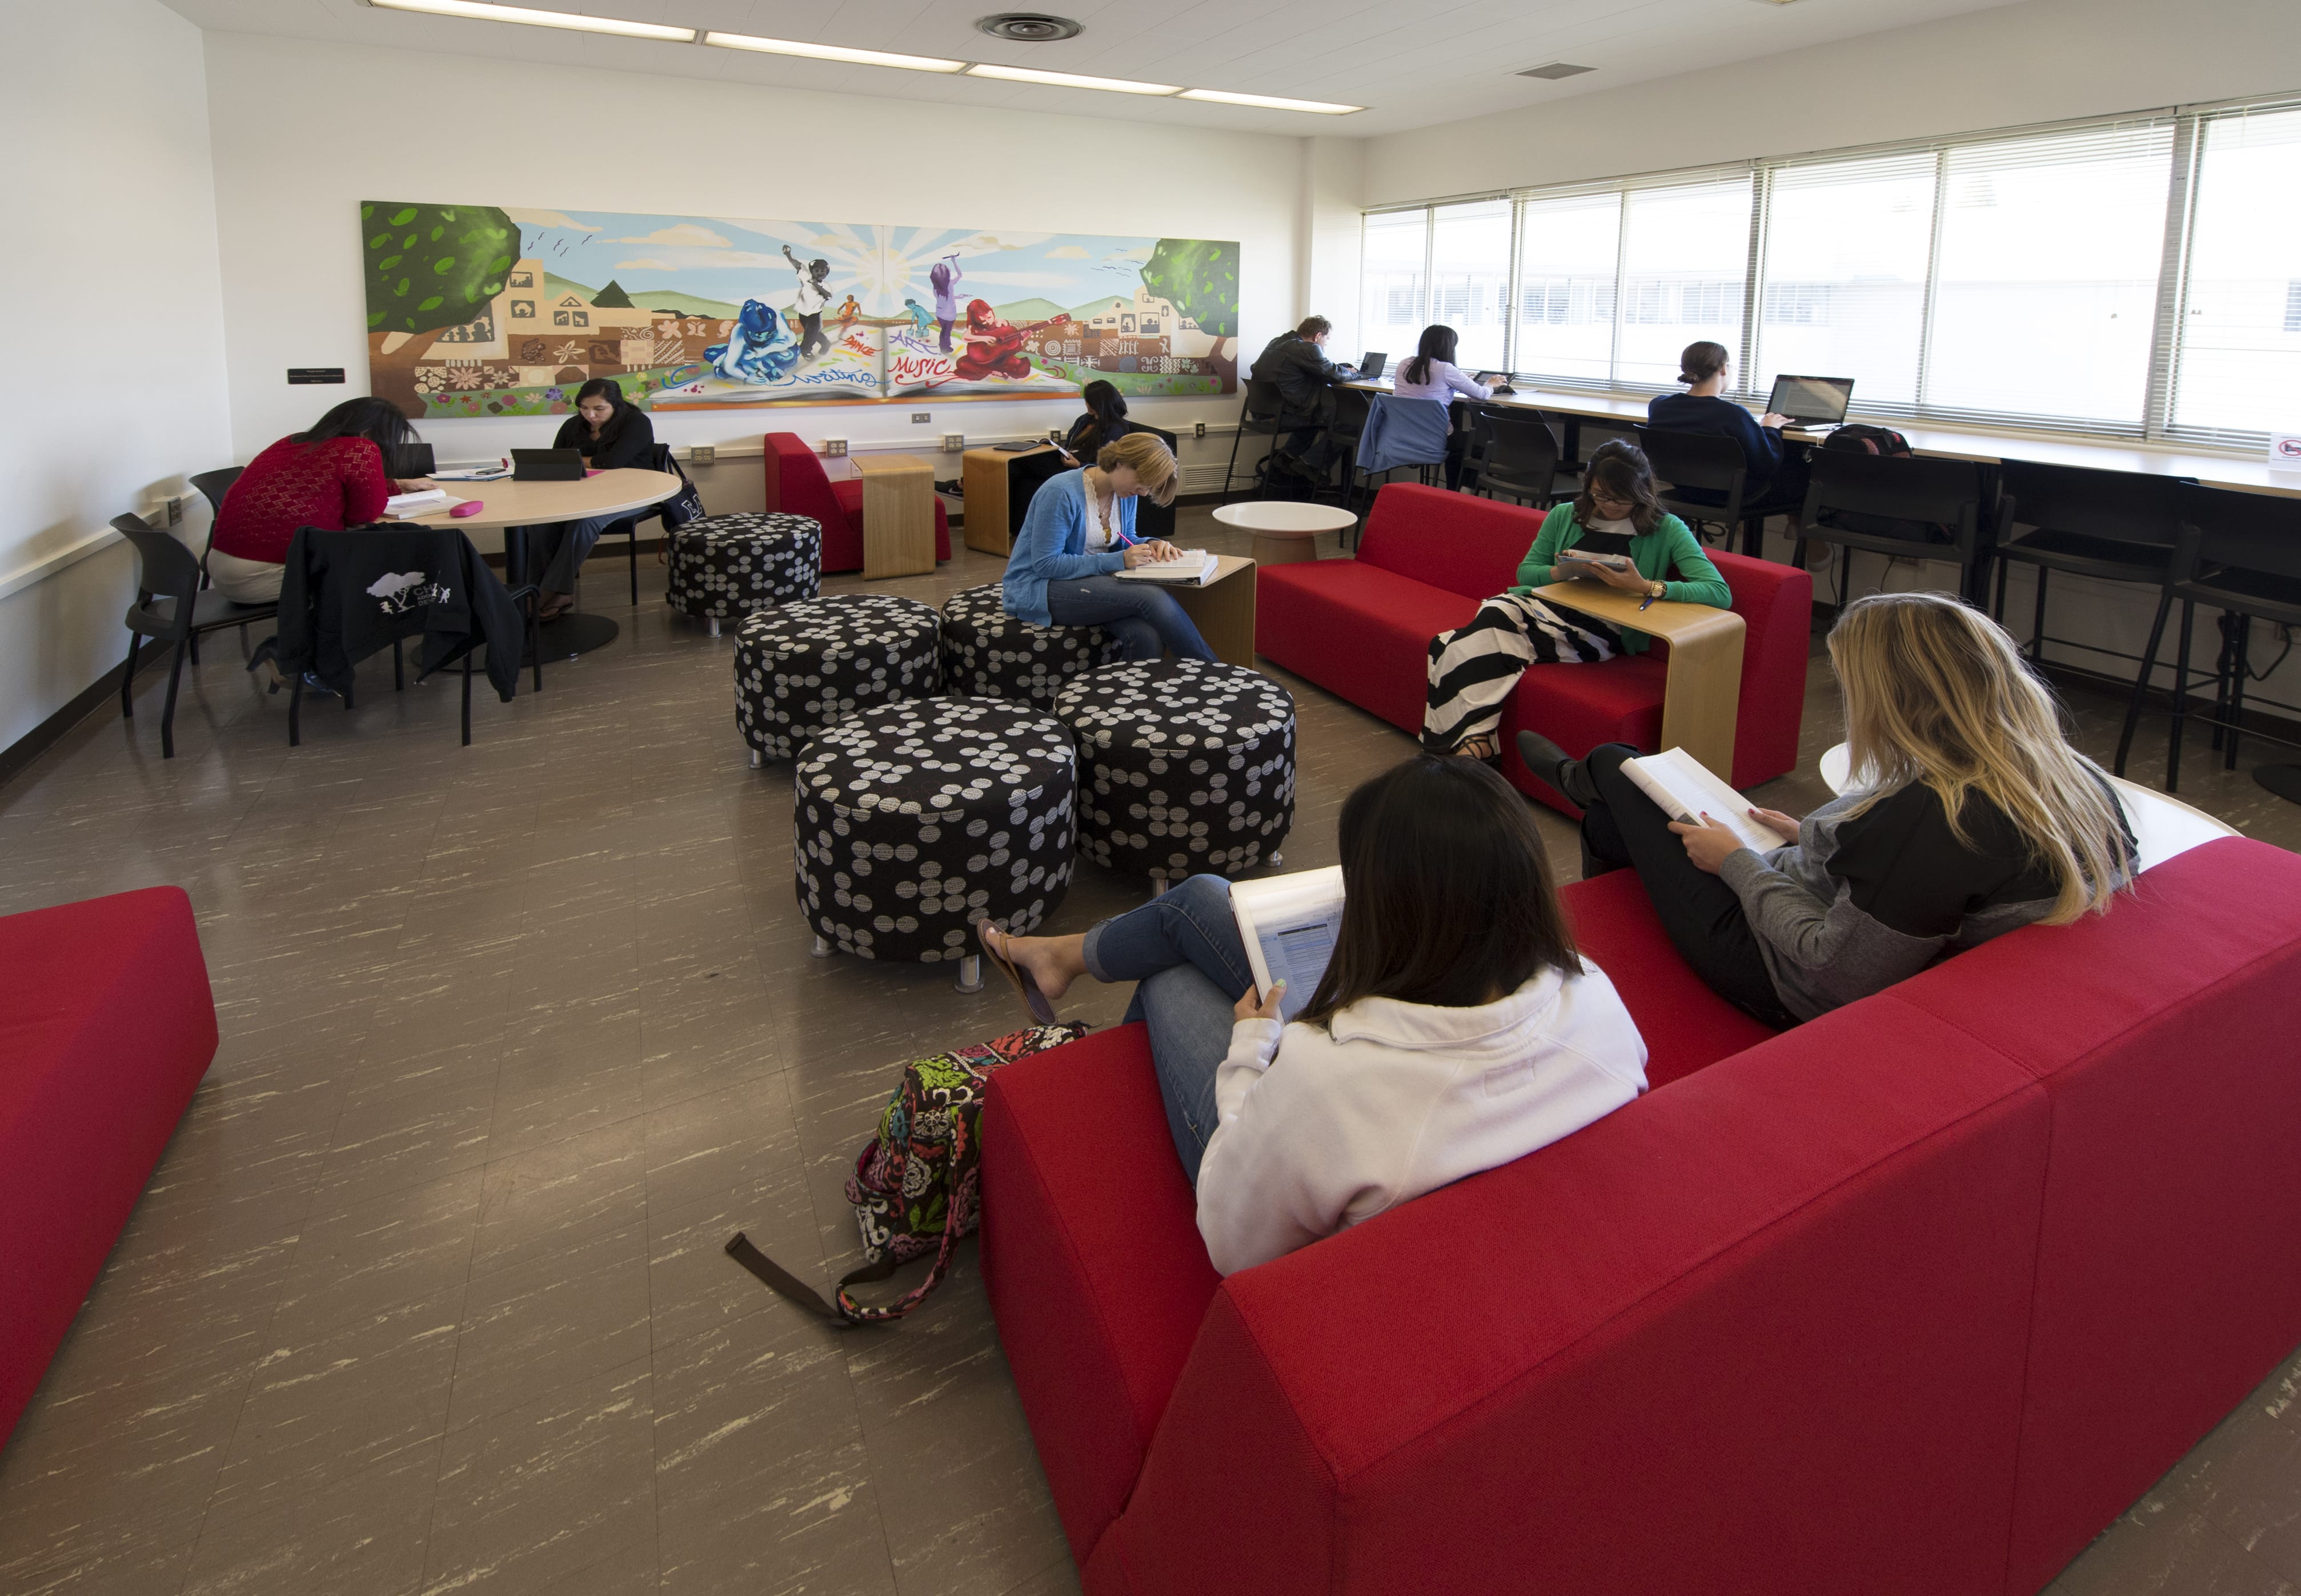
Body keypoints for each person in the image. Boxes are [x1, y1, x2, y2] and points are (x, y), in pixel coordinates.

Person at [977, 755, 1647, 1275]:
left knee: (1171, 974)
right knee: (1202, 902)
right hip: (1420, 1054)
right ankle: (1061, 959)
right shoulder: (1590, 990)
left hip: (1306, 1129)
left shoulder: (1323, 1080)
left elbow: (1229, 1242)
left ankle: (1096, 1085)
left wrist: (1248, 1052)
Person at [1517, 592, 2138, 1029]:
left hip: (1783, 986)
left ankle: (1585, 787)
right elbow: (1905, 877)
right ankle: (1594, 802)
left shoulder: (1935, 820)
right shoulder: (2067, 774)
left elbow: (1831, 974)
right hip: (1829, 908)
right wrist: (1820, 838)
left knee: (1619, 771)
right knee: (1624, 801)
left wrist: (1737, 863)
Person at [1425, 440, 1730, 763]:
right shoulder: (1564, 515)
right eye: (1600, 495)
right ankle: (1475, 746)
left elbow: (1717, 591)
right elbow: (1527, 572)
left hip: (1599, 629)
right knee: (1497, 606)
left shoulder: (1667, 528)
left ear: (1641, 491)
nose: (1609, 505)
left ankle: (1462, 750)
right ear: (1588, 486)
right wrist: (1560, 571)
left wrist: (1645, 586)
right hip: (1544, 608)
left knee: (1447, 644)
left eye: (1620, 498)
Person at [1000, 431, 1214, 663]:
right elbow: (1046, 565)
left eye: (1150, 487)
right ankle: (1215, 676)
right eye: (1142, 482)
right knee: (1151, 597)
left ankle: (1137, 698)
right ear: (1120, 462)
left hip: (1092, 582)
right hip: (1039, 587)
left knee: (1146, 635)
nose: (1144, 492)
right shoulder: (1061, 493)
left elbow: (1125, 539)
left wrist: (1151, 543)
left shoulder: (1126, 493)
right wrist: (1119, 560)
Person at [207, 396, 416, 603]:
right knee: (388, 565)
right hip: (264, 575)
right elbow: (364, 515)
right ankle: (351, 633)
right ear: (367, 432)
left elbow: (318, 485)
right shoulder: (360, 447)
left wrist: (396, 485)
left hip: (222, 566)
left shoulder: (290, 442)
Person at [520, 378, 655, 620]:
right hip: (582, 495)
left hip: (634, 495)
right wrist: (589, 460)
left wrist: (578, 459)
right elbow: (556, 461)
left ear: (616, 405)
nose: (590, 415)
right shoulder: (573, 425)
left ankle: (552, 592)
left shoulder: (636, 422)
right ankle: (539, 589)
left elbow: (613, 462)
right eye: (584, 408)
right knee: (540, 522)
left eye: (599, 409)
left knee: (582, 522)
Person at [1646, 340, 1807, 520]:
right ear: (1723, 369)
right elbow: (1766, 466)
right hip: (1732, 497)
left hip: (1685, 490)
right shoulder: (1733, 415)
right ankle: (1803, 533)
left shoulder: (1659, 406)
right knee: (1803, 468)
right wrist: (1771, 430)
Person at [1390, 323, 1493, 491]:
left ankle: (1453, 496)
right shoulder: (1446, 369)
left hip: (1403, 435)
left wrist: (1459, 379)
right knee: (1480, 445)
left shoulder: (1404, 364)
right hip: (1435, 438)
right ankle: (1461, 496)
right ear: (1448, 347)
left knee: (1459, 447)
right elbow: (1482, 395)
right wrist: (1491, 384)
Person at [1248, 315, 1346, 482]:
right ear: (1317, 336)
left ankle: (1288, 457)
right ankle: (1311, 463)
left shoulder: (1276, 342)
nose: (1326, 345)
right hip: (1283, 416)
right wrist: (1352, 373)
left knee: (1313, 420)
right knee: (1346, 422)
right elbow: (1334, 374)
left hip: (1261, 414)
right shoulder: (1307, 348)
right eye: (1326, 340)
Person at [955, 299, 1032, 381]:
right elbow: (965, 337)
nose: (988, 321)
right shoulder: (976, 327)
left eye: (989, 317)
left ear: (992, 311)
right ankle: (992, 371)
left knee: (1020, 367)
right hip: (983, 358)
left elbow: (1011, 345)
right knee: (962, 363)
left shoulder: (1002, 323)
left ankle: (995, 370)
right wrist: (984, 338)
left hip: (1001, 358)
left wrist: (1024, 338)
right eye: (983, 321)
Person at [782, 243, 832, 359]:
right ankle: (825, 343)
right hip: (803, 312)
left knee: (811, 332)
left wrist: (817, 286)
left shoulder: (825, 285)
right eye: (817, 270)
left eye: (823, 271)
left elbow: (828, 296)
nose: (820, 273)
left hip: (815, 313)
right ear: (811, 271)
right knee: (812, 333)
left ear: (827, 273)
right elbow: (798, 265)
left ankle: (805, 351)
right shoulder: (806, 277)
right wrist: (788, 254)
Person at [1061, 379, 1132, 459]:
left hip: (1087, 469)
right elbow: (1069, 446)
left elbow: (1106, 463)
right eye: (1087, 401)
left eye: (1093, 403)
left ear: (1104, 404)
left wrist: (1078, 465)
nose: (1088, 405)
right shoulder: (1084, 419)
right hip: (1071, 460)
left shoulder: (1116, 428)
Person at [929, 256, 963, 354]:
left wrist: (957, 297)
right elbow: (960, 275)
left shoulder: (935, 289)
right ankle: (945, 348)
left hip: (940, 313)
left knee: (944, 331)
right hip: (950, 314)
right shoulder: (950, 284)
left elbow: (945, 299)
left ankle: (944, 346)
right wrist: (954, 261)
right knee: (947, 332)